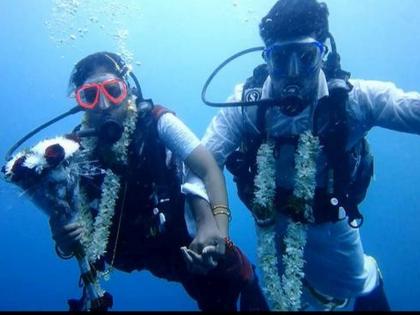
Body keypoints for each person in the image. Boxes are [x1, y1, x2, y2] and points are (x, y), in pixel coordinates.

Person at [198, 0, 420, 311]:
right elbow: (201, 162)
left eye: (305, 57)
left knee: (357, 281)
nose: (292, 73)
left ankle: (370, 279)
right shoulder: (246, 106)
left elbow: (406, 107)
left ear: (323, 53)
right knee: (288, 299)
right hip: (272, 222)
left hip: (332, 223)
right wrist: (207, 221)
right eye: (279, 58)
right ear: (267, 57)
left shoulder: (352, 101)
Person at [6, 52, 268, 311]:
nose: (104, 105)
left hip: (185, 239)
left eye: (112, 90)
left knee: (222, 283)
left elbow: (207, 166)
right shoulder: (72, 152)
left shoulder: (157, 121)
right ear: (80, 104)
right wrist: (63, 241)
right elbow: (68, 220)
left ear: (128, 91)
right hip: (133, 252)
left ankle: (248, 281)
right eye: (90, 96)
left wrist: (217, 228)